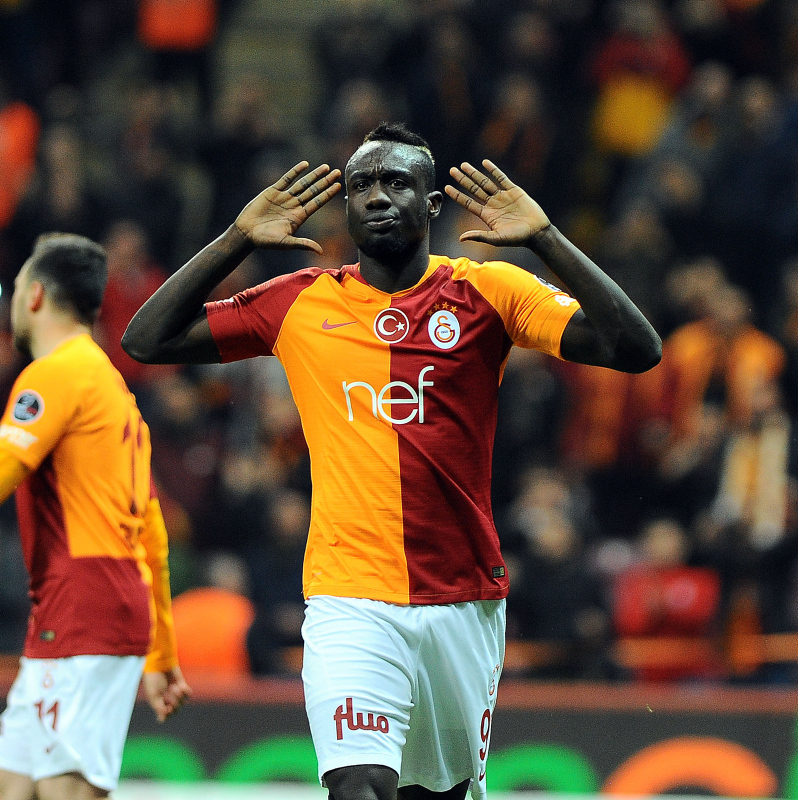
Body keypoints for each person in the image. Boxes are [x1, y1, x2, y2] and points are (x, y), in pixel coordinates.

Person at [122, 123, 661, 800]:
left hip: (461, 598)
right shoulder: (300, 302)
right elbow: (146, 341)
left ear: (432, 204)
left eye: (397, 182)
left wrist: (547, 239)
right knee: (359, 786)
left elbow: (636, 348)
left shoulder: (489, 292)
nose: (377, 196)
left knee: (435, 794)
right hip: (349, 597)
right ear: (345, 207)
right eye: (361, 185)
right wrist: (236, 239)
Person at [0, 233, 191, 800]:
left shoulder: (55, 374)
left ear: (35, 295)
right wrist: (161, 652)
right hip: (86, 604)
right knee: (16, 782)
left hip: (86, 602)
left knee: (63, 787)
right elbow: (152, 532)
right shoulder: (113, 390)